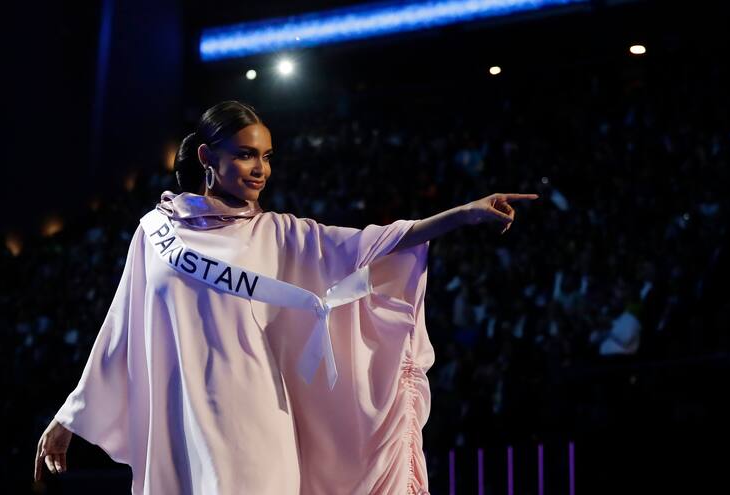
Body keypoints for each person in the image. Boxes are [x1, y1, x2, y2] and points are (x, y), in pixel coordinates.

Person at [34, 100, 538, 494]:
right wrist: (70, 415)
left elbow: (373, 243)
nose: (260, 169)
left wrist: (464, 213)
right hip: (183, 424)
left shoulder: (280, 233)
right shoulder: (155, 232)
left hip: (257, 421)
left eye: (266, 157)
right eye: (246, 154)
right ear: (208, 157)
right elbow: (121, 326)